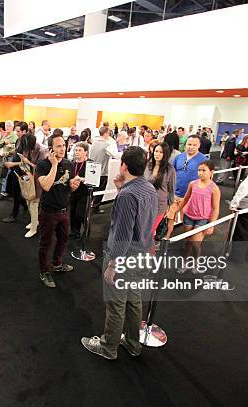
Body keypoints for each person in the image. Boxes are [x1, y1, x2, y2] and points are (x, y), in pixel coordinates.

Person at [81, 146, 157, 360]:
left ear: (124, 165)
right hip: (143, 254)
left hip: (125, 258)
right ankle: (133, 344)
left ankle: (108, 347)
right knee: (134, 301)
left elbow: (122, 235)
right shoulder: (148, 188)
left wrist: (113, 265)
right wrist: (120, 189)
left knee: (116, 304)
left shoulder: (128, 194)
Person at [36, 130, 81, 288]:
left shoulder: (68, 163)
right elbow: (46, 186)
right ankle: (44, 271)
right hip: (49, 212)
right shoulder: (42, 165)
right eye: (59, 146)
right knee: (46, 243)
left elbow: (67, 187)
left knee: (63, 239)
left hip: (64, 210)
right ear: (51, 148)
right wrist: (54, 165)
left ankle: (57, 263)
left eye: (64, 145)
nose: (62, 149)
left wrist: (72, 186)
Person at [175, 161, 220, 273]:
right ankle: (185, 262)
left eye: (204, 170)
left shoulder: (214, 188)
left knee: (196, 243)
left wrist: (211, 225)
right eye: (199, 170)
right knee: (188, 242)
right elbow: (185, 198)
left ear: (211, 172)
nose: (200, 173)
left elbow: (215, 208)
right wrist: (177, 211)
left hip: (202, 219)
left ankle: (196, 262)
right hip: (189, 216)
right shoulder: (192, 184)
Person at [165, 135, 207, 239]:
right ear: (185, 145)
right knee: (170, 218)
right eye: (189, 144)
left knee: (187, 222)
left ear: (199, 146)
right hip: (174, 194)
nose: (191, 147)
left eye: (194, 145)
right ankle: (166, 237)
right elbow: (171, 173)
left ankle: (187, 241)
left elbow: (207, 180)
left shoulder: (203, 160)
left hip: (190, 197)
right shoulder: (179, 157)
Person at [144, 142, 175, 238]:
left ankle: (149, 251)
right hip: (145, 203)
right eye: (156, 151)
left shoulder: (170, 170)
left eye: (161, 152)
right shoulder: (148, 166)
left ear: (165, 154)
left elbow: (171, 189)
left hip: (159, 205)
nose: (157, 154)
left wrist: (169, 206)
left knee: (149, 232)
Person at [89, 126, 119, 214]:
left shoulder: (94, 143)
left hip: (92, 171)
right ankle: (95, 208)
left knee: (92, 191)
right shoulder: (107, 145)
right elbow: (116, 155)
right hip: (102, 172)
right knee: (99, 191)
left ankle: (89, 207)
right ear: (106, 133)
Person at [69, 142, 90, 239]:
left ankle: (87, 230)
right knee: (72, 213)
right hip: (73, 193)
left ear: (86, 152)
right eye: (76, 150)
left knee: (80, 214)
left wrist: (81, 179)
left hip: (84, 193)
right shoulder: (72, 163)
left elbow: (94, 180)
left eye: (80, 150)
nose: (77, 152)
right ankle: (75, 231)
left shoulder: (91, 164)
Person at [0, 120, 18, 199]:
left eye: (9, 126)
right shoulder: (5, 135)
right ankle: (4, 191)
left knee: (7, 175)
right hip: (4, 157)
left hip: (10, 157)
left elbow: (17, 147)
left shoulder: (15, 136)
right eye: (6, 126)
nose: (7, 127)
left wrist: (9, 144)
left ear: (12, 127)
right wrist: (3, 142)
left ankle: (5, 192)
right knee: (3, 174)